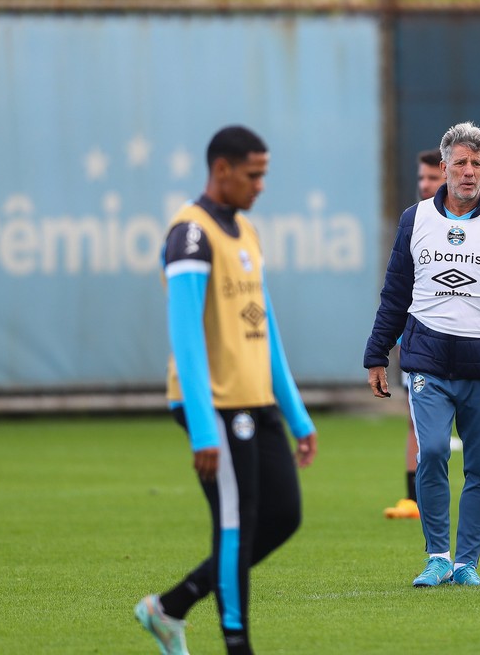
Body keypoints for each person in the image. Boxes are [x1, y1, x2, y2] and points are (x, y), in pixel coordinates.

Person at [135, 125, 318, 655]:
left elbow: (266, 328)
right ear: (222, 170)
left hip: (256, 400)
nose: (261, 186)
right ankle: (238, 646)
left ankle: (170, 608)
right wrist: (202, 428)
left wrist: (297, 415)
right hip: (214, 406)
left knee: (283, 516)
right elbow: (186, 336)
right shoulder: (190, 235)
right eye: (253, 175)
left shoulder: (247, 232)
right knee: (235, 525)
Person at [365, 122, 480, 587]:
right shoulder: (415, 220)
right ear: (443, 167)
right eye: (460, 163)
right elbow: (395, 293)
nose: (469, 172)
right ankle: (437, 556)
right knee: (432, 452)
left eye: (477, 164)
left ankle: (466, 564)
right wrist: (377, 353)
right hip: (428, 362)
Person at [384, 148, 480, 520]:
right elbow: (399, 291)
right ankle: (413, 498)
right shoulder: (415, 220)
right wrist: (391, 341)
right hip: (424, 345)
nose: (425, 184)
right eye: (420, 178)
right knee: (419, 424)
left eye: (431, 177)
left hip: (476, 347)